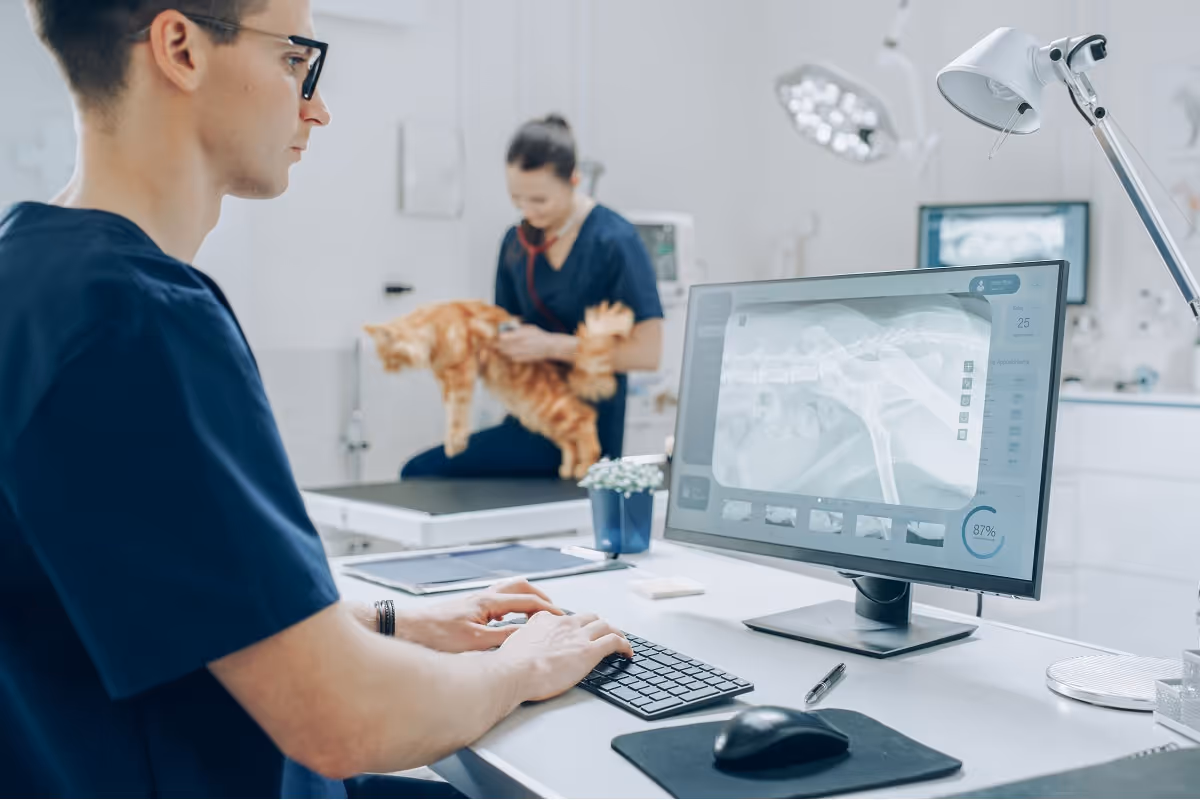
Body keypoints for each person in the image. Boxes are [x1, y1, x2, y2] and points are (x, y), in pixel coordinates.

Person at [0, 1, 631, 797]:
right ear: (181, 48)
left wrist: (403, 621)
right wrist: (522, 666)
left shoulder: (28, 279)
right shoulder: (139, 321)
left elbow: (174, 606)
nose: (317, 106)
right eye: (295, 60)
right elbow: (347, 720)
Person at [401, 115, 665, 479]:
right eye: (517, 199)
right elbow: (505, 333)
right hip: (528, 422)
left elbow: (647, 354)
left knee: (423, 476)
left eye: (539, 199)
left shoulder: (614, 242)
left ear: (574, 180)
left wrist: (553, 346)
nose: (528, 211)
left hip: (586, 431)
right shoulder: (516, 244)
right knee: (418, 473)